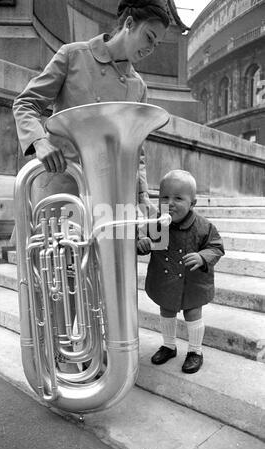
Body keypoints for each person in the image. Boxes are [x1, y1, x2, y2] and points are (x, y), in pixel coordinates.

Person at [12, 0, 187, 210]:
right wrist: (40, 142)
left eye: (156, 44)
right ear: (129, 24)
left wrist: (142, 196)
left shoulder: (138, 87)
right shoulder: (73, 55)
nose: (150, 49)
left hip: (107, 197)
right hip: (61, 184)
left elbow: (136, 150)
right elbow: (26, 103)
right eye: (149, 37)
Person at [137, 170, 225, 374]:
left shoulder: (204, 226)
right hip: (166, 279)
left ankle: (195, 351)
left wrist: (203, 256)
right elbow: (141, 239)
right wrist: (142, 244)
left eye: (178, 198)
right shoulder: (155, 223)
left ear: (192, 203)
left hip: (192, 282)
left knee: (193, 313)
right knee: (166, 310)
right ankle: (169, 346)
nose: (171, 203)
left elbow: (216, 247)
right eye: (165, 197)